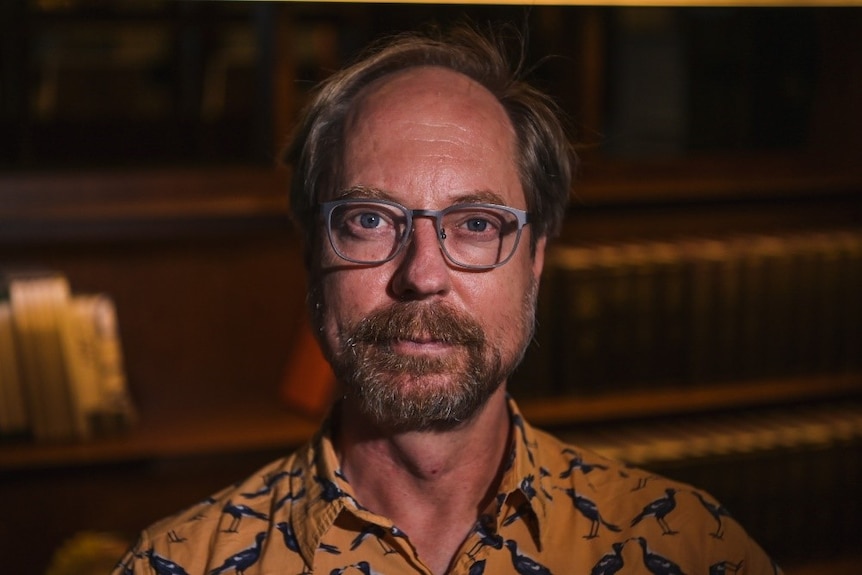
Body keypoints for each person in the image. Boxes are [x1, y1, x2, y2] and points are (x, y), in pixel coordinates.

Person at [113, 24, 781, 575]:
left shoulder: (689, 549)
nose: (423, 273)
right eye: (371, 219)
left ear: (535, 263)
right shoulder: (175, 565)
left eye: (476, 224)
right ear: (312, 253)